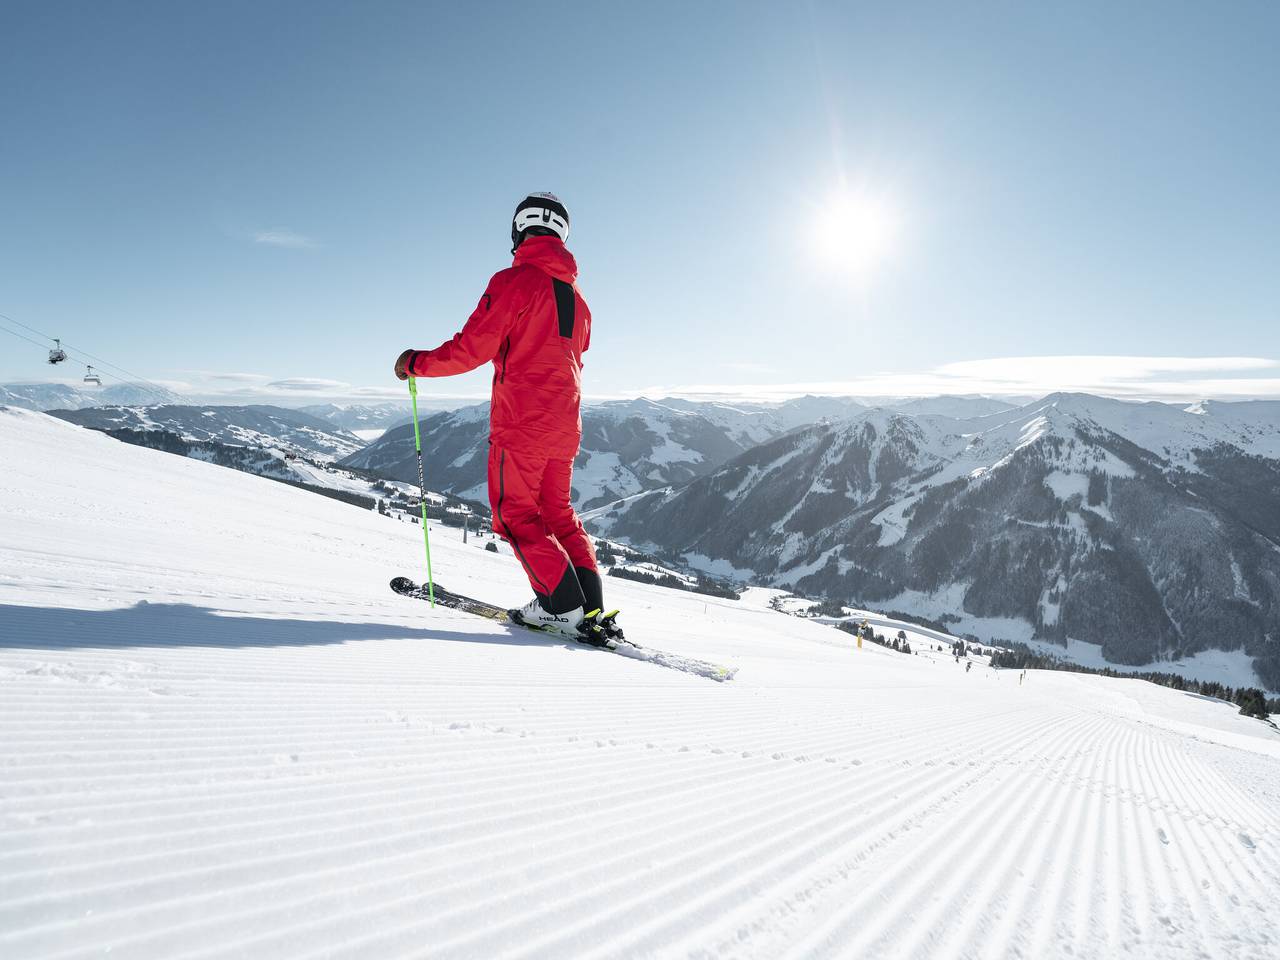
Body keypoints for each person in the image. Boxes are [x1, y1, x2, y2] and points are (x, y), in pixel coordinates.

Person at [394, 192, 616, 644]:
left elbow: (471, 349)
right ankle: (590, 607)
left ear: (518, 231)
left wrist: (414, 362)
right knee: (558, 514)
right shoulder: (579, 302)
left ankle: (560, 608)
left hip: (522, 423)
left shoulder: (514, 282)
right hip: (565, 425)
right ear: (562, 235)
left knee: (514, 515)